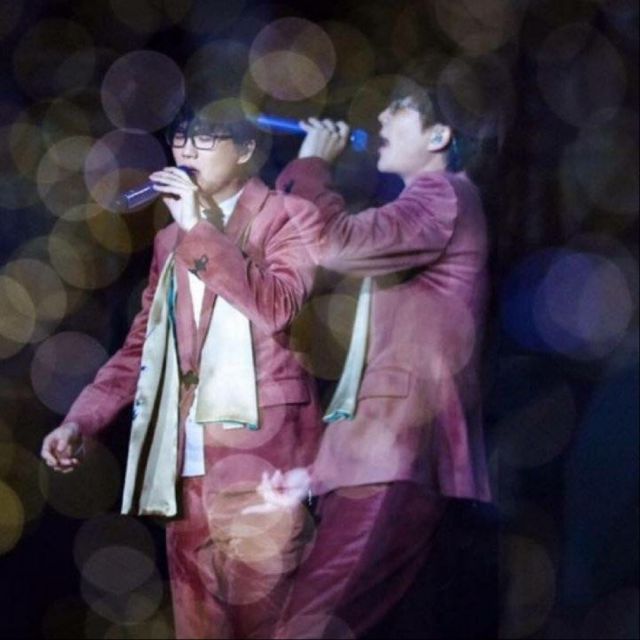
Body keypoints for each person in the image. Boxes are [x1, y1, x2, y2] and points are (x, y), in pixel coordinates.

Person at [40, 100, 323, 639]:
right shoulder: (170, 238)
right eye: (181, 138)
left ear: (246, 149)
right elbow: (142, 346)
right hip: (186, 466)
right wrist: (81, 420)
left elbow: (278, 306)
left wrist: (197, 225)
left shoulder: (289, 216)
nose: (188, 150)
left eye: (206, 139)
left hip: (262, 467)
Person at [255, 79, 493, 638]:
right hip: (379, 461)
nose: (381, 117)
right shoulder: (429, 207)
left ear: (439, 135)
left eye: (400, 109)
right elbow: (388, 361)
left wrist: (312, 165)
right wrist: (318, 473)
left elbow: (332, 243)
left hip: (394, 462)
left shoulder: (442, 196)